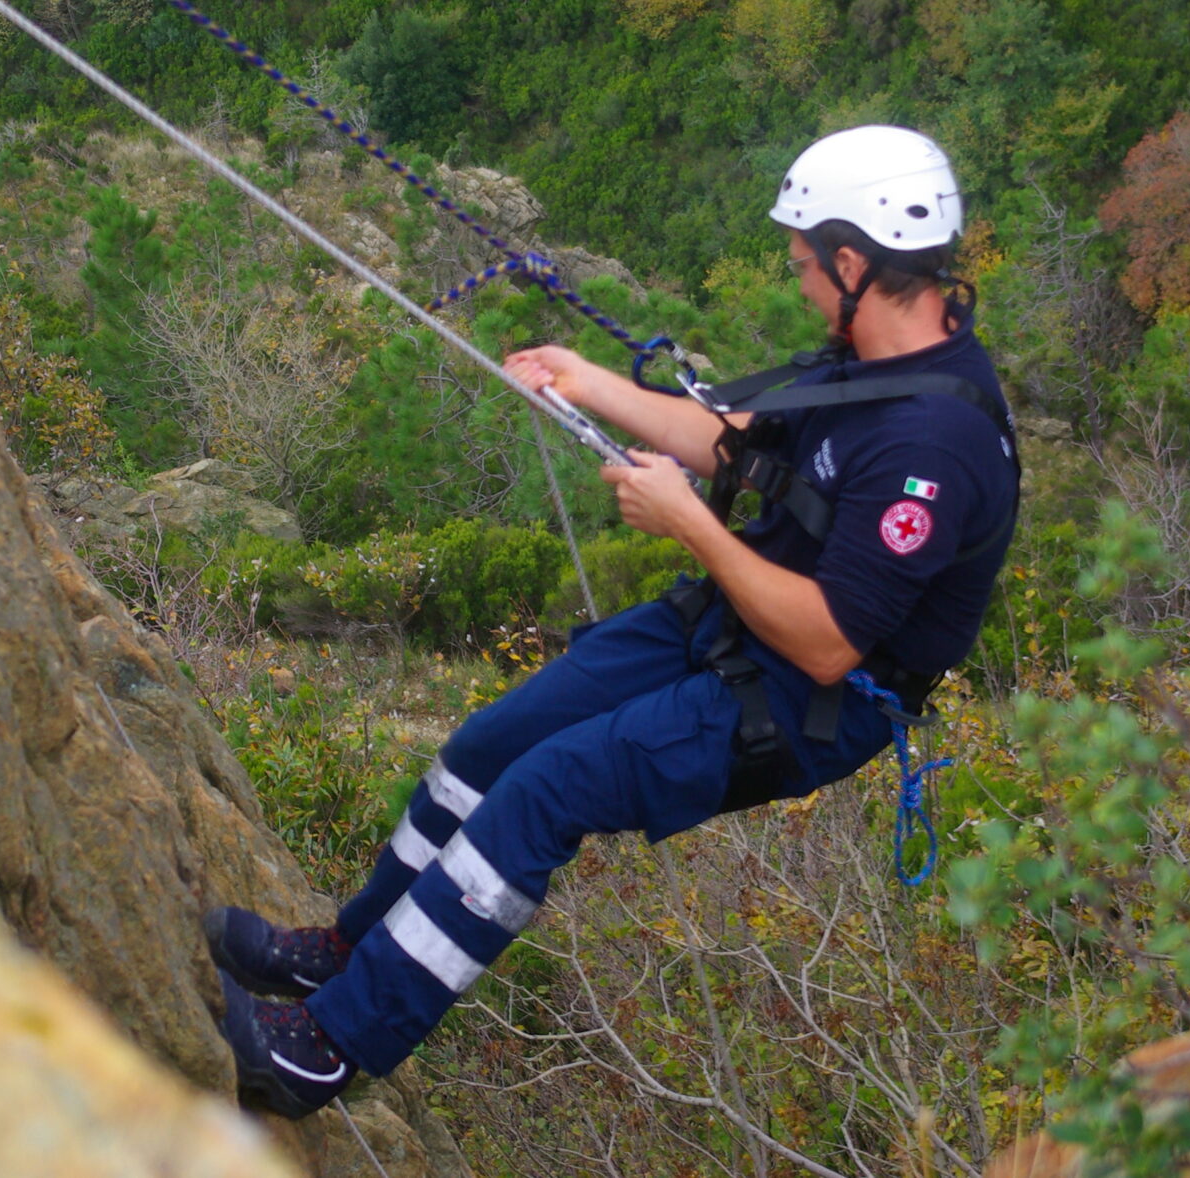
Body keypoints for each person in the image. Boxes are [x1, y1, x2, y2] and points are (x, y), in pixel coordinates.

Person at [202, 125, 1020, 1117]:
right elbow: (735, 442)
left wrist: (689, 529)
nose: (799, 280)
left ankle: (330, 1046)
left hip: (809, 697)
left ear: (854, 262)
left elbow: (827, 640)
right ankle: (345, 950)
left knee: (548, 787)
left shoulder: (934, 445)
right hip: (735, 622)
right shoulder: (866, 363)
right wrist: (586, 380)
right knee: (490, 744)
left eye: (805, 264)